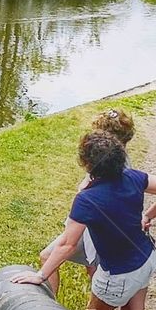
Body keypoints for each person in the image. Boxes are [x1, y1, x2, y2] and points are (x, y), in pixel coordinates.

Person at [12, 131, 156, 310]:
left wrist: (40, 276)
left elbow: (67, 245)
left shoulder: (87, 199)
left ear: (87, 164)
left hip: (119, 274)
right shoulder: (132, 176)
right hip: (147, 259)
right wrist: (147, 215)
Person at [38, 108, 136, 294]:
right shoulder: (115, 160)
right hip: (95, 225)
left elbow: (99, 199)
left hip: (98, 228)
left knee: (92, 269)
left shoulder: (112, 167)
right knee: (88, 267)